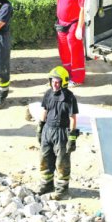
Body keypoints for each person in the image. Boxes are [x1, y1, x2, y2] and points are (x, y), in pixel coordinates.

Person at [36, 66, 79, 200]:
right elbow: (44, 110)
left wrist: (72, 137)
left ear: (63, 82)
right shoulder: (48, 94)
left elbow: (73, 118)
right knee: (45, 159)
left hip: (61, 133)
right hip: (47, 130)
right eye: (53, 81)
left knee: (62, 162)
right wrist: (40, 128)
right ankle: (46, 184)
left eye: (57, 81)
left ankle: (62, 190)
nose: (55, 84)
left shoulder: (70, 98)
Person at [42, 0, 86, 85]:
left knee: (75, 50)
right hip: (61, 23)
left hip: (74, 23)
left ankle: (78, 78)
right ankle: (67, 74)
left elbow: (83, 8)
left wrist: (79, 28)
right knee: (64, 50)